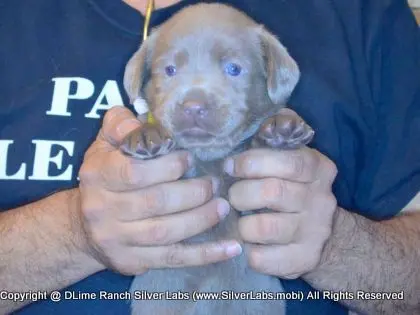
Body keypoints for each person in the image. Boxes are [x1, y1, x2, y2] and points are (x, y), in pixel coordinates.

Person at [0, 0, 419, 314]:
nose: (196, 102)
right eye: (169, 71)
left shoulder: (362, 12)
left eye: (233, 69)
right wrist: (72, 233)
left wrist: (337, 246)